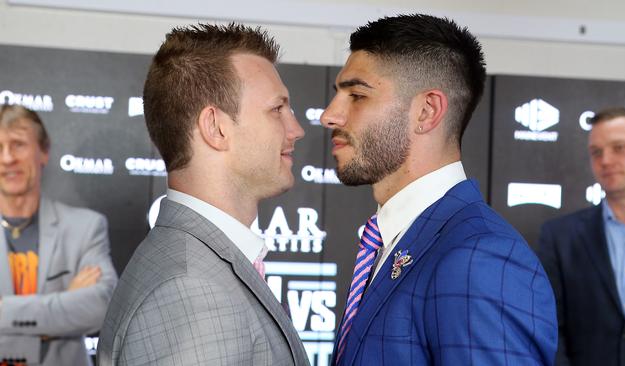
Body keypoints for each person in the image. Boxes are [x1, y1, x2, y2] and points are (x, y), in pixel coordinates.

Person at [320, 14, 557, 365]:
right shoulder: (397, 239)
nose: (329, 115)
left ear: (427, 111)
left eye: (356, 95)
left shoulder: (478, 258)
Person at [98, 23, 309, 366]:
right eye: (277, 109)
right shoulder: (193, 291)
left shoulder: (192, 265)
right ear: (215, 128)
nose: (296, 130)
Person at [0, 104, 117, 366]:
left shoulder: (85, 227)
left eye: (18, 144)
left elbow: (101, 308)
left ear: (44, 151)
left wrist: (4, 312)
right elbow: (78, 312)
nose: (7, 158)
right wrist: (63, 310)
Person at [538, 107, 625, 366]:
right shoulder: (559, 237)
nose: (606, 160)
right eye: (596, 152)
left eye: (619, 148)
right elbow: (550, 328)